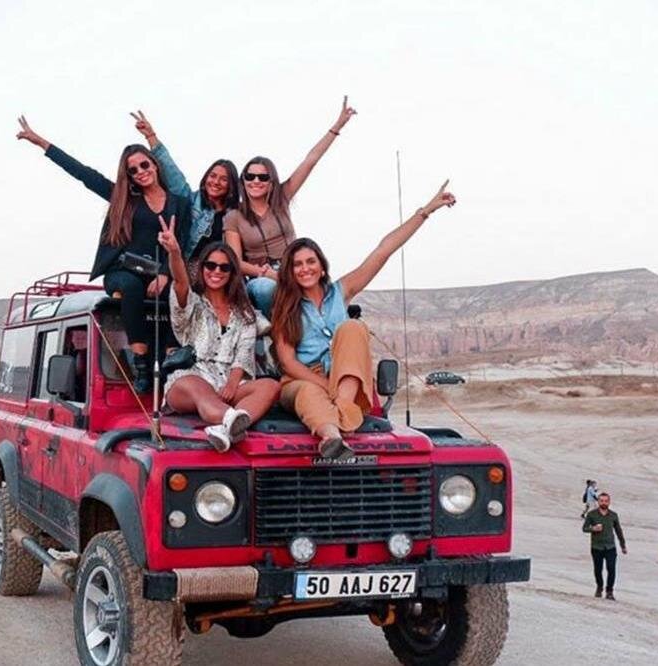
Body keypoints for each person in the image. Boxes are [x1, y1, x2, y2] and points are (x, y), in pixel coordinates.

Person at [271, 181, 457, 461]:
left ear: (321, 266)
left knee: (353, 327)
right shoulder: (286, 306)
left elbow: (383, 251)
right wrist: (326, 387)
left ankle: (341, 413)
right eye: (298, 264)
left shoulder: (341, 292)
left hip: (343, 378)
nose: (305, 268)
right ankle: (332, 438)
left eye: (310, 261)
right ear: (290, 270)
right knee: (308, 392)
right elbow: (288, 362)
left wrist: (426, 211)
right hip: (302, 378)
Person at [16, 116, 191, 393]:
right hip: (122, 271)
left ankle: (172, 361)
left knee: (180, 292)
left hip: (160, 271)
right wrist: (41, 143)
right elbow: (84, 174)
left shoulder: (180, 204)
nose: (141, 172)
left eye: (144, 165)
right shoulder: (125, 200)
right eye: (133, 170)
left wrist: (166, 275)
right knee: (131, 288)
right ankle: (141, 365)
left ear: (155, 165)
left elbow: (182, 243)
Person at [224, 96, 357, 316]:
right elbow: (235, 261)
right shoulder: (234, 216)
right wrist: (266, 273)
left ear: (271, 181)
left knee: (323, 287)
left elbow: (310, 161)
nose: (256, 181)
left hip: (294, 266)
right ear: (243, 180)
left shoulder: (282, 198)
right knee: (266, 290)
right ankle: (277, 331)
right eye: (250, 176)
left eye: (262, 177)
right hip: (262, 274)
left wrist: (337, 126)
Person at [156, 217, 280, 451]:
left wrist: (232, 385)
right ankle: (231, 420)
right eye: (211, 265)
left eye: (224, 267)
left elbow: (243, 354)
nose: (216, 271)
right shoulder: (192, 304)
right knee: (198, 388)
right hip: (192, 377)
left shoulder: (245, 313)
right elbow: (181, 282)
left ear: (232, 272)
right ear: (202, 268)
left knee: (270, 387)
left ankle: (226, 431)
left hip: (228, 381)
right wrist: (174, 252)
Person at [131, 110, 240, 261]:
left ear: (231, 185)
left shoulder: (236, 213)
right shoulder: (191, 201)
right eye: (213, 176)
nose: (216, 182)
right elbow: (171, 172)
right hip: (190, 266)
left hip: (222, 269)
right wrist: (150, 136)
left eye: (223, 179)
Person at [582, 492, 627, 600]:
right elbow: (584, 528)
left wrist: (623, 545)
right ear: (598, 502)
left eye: (606, 501)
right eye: (601, 501)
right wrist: (593, 528)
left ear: (609, 502)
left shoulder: (613, 515)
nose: (604, 503)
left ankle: (609, 591)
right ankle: (599, 587)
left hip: (610, 547)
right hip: (596, 547)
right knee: (598, 569)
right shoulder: (592, 514)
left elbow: (618, 530)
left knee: (611, 569)